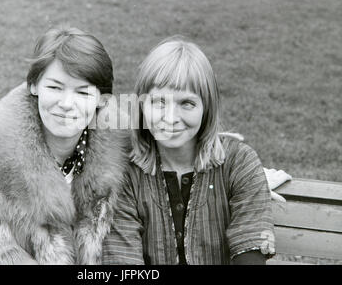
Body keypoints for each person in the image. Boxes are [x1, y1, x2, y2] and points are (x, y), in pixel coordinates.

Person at [0, 26, 130, 264]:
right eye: (54, 87)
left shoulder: (119, 153)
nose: (66, 104)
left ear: (102, 100)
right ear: (34, 86)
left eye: (83, 92)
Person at [102, 37, 280, 265]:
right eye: (158, 102)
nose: (171, 118)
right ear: (141, 105)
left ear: (207, 108)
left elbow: (250, 252)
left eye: (186, 103)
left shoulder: (238, 162)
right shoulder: (125, 171)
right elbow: (123, 262)